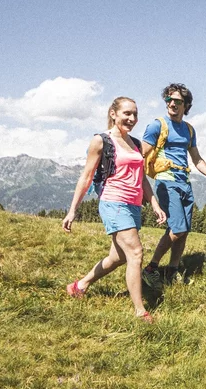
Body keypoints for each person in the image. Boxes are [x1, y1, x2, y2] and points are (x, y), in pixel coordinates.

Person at [63, 96, 167, 321]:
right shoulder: (101, 141)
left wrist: (154, 203)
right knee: (136, 253)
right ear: (113, 114)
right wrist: (73, 210)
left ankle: (80, 286)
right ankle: (140, 311)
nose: (132, 119)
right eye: (127, 113)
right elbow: (87, 176)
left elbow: (142, 179)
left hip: (133, 205)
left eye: (135, 115)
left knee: (117, 257)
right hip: (113, 202)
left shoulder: (136, 144)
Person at [141, 83, 206, 283]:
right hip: (166, 181)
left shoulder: (189, 130)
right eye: (169, 99)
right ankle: (151, 268)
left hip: (184, 181)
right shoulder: (157, 125)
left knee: (183, 231)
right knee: (177, 228)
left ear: (186, 105)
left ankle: (172, 270)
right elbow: (140, 154)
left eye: (178, 101)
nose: (173, 104)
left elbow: (196, 159)